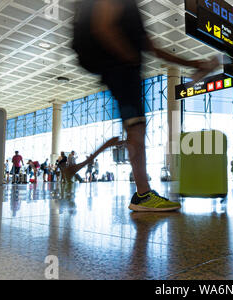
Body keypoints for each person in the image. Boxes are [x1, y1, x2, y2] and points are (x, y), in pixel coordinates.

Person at [72, 0, 218, 211]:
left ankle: (143, 194)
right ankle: (143, 195)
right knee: (136, 129)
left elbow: (153, 49)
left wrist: (194, 64)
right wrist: (128, 57)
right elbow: (103, 27)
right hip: (122, 72)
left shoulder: (131, 9)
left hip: (124, 72)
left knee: (136, 128)